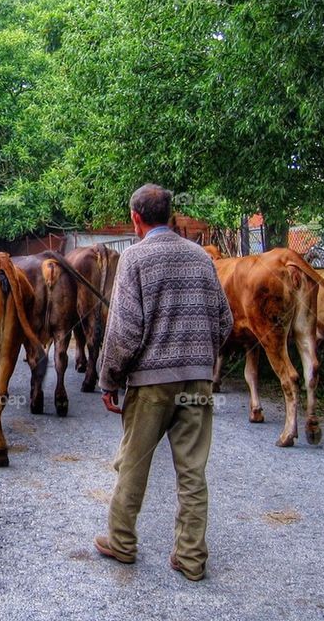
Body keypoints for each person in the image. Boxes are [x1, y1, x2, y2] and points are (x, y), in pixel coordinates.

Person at [93, 184, 232, 582]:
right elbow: (224, 321)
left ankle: (122, 542)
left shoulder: (134, 259)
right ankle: (190, 558)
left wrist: (109, 379)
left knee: (132, 464)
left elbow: (124, 332)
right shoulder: (201, 258)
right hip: (198, 383)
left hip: (151, 385)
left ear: (136, 219)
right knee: (192, 471)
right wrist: (199, 358)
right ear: (170, 215)